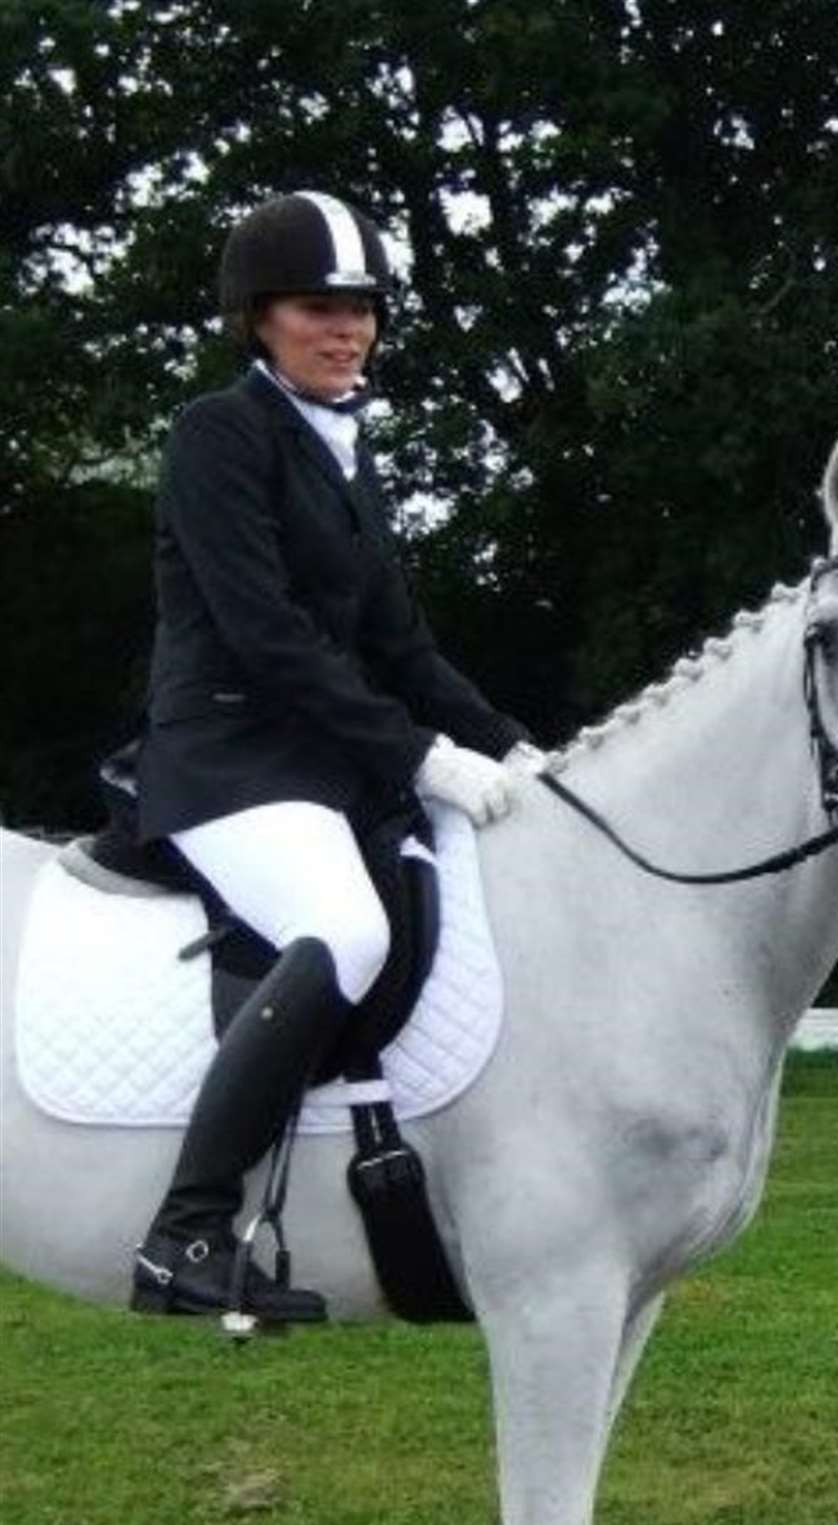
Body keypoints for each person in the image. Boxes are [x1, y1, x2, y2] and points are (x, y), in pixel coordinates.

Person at [129, 189, 534, 1322]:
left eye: (362, 309)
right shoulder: (222, 433)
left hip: (321, 763)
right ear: (259, 318)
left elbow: (401, 646)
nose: (346, 328)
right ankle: (187, 1232)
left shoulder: (347, 456)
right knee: (346, 930)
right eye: (319, 307)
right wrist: (417, 758)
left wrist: (519, 749)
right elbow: (265, 636)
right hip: (227, 754)